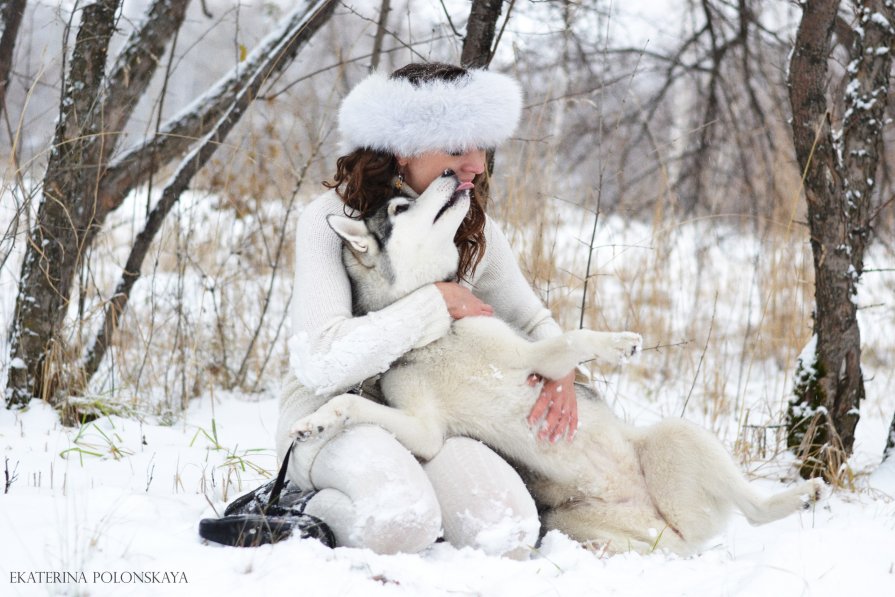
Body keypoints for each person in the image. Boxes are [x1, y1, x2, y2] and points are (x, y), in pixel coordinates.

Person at [274, 62, 579, 558]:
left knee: (507, 534)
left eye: (482, 147)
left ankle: (419, 490)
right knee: (398, 524)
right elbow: (323, 363)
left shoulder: (472, 225)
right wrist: (435, 302)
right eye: (458, 148)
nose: (477, 164)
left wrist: (561, 363)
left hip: (431, 417)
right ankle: (305, 507)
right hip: (333, 417)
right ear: (402, 148)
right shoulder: (330, 219)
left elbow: (529, 318)